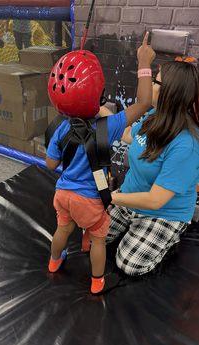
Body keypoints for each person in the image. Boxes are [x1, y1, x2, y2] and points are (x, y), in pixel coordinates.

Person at [46, 33, 155, 295]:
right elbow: (144, 103)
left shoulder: (61, 128)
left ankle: (53, 262)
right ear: (99, 94)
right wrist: (144, 62)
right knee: (97, 240)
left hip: (63, 195)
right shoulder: (110, 125)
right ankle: (97, 281)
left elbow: (50, 164)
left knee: (62, 229)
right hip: (91, 202)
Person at [107, 60, 199, 276]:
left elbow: (155, 200)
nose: (150, 85)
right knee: (92, 233)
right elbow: (129, 135)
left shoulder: (187, 145)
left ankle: (170, 236)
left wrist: (109, 198)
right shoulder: (153, 116)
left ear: (169, 93)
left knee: (129, 265)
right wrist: (100, 114)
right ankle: (131, 226)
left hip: (163, 212)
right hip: (130, 197)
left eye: (155, 81)